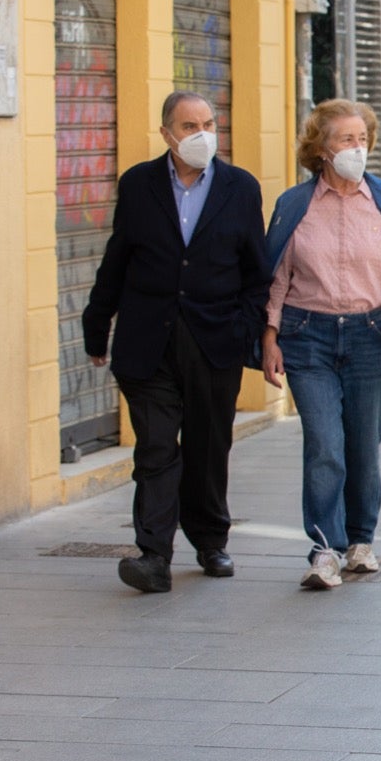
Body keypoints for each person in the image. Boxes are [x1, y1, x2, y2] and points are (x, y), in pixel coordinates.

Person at [261, 99, 381, 590]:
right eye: (345, 139)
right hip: (308, 338)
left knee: (363, 447)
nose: (357, 148)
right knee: (325, 444)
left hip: (372, 336)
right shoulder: (294, 206)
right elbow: (277, 277)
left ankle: (360, 540)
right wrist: (269, 335)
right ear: (321, 149)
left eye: (362, 139)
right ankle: (324, 549)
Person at [84, 91, 270, 594]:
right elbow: (118, 259)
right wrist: (96, 325)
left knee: (210, 445)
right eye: (189, 126)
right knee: (157, 447)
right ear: (166, 133)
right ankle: (153, 555)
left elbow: (257, 272)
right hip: (149, 341)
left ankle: (210, 539)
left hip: (215, 340)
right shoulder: (139, 184)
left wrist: (249, 328)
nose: (202, 135)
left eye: (208, 123)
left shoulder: (239, 188)